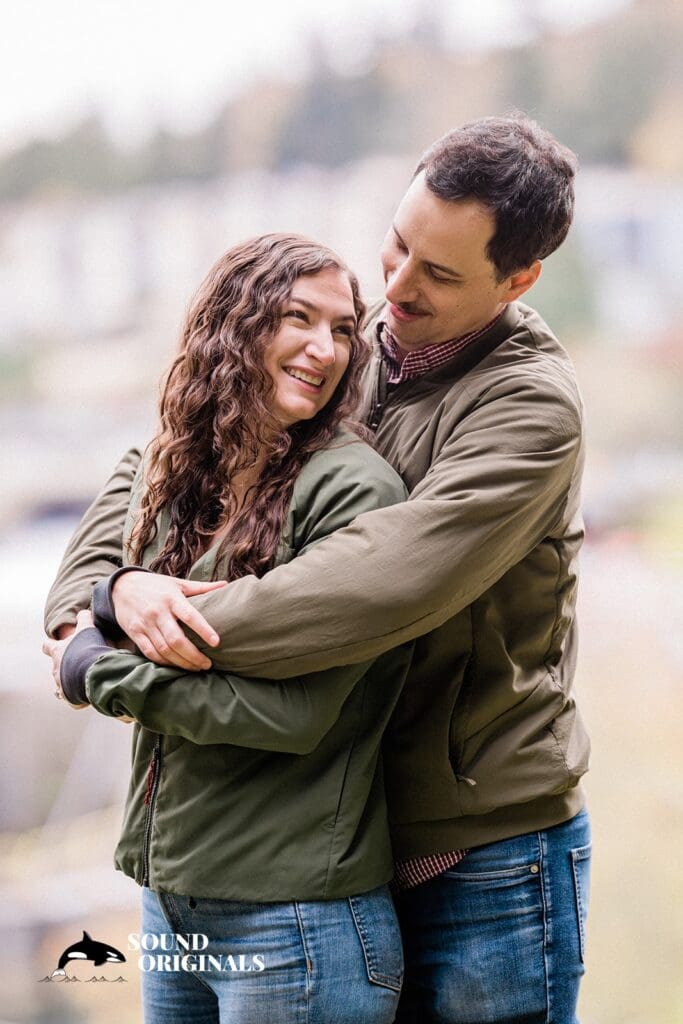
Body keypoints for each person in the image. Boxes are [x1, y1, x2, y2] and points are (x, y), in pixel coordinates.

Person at [45, 114, 592, 1023]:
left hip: (484, 852)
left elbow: (374, 584)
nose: (397, 285)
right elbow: (173, 456)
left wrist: (124, 650)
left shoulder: (529, 407)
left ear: (518, 279)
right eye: (396, 243)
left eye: (439, 273)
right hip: (340, 830)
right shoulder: (350, 344)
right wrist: (105, 594)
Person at [42, 233, 413, 1024]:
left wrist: (99, 671)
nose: (325, 348)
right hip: (170, 906)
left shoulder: (354, 491)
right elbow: (73, 596)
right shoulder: (170, 463)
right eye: (296, 318)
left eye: (344, 328)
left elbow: (293, 715)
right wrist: (123, 590)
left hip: (296, 924)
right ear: (231, 325)